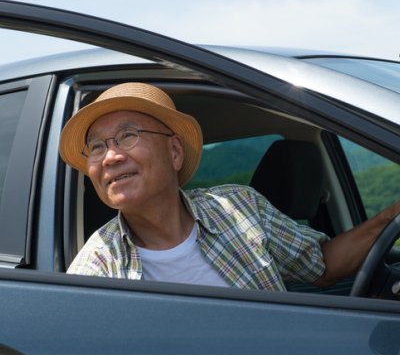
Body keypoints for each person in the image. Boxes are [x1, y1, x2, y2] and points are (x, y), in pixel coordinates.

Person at [59, 82, 400, 291]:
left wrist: (390, 219)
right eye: (97, 146)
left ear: (174, 151)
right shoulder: (96, 269)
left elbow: (322, 266)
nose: (110, 157)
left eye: (127, 136)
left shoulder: (239, 208)